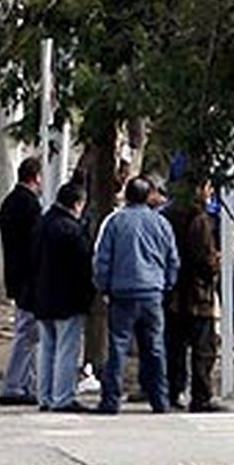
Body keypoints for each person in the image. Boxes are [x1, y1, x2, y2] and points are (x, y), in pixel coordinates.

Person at [93, 175, 179, 414]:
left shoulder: (115, 222)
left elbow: (103, 259)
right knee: (155, 348)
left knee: (117, 347)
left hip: (121, 293)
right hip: (152, 292)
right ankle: (159, 400)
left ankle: (111, 400)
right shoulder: (160, 223)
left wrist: (104, 287)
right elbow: (172, 259)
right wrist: (166, 285)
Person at [32, 179, 95, 412]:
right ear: (77, 204)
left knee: (47, 348)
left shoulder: (42, 224)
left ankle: (45, 396)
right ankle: (63, 397)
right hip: (67, 299)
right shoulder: (72, 230)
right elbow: (83, 267)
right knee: (67, 349)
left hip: (42, 296)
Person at [162, 176, 223, 412]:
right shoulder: (200, 221)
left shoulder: (168, 216)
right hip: (197, 296)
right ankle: (201, 396)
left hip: (174, 294)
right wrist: (215, 263)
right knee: (203, 349)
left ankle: (173, 391)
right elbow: (205, 260)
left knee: (175, 347)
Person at [0, 155, 44, 406]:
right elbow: (34, 244)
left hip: (16, 274)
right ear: (36, 177)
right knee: (27, 333)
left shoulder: (10, 201)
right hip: (28, 277)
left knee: (27, 330)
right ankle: (14, 385)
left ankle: (25, 383)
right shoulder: (29, 205)